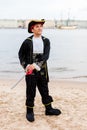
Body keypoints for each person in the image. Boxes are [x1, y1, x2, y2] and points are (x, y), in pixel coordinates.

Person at [18, 19, 61, 122]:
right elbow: (21, 55)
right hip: (30, 71)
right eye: (37, 26)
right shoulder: (27, 41)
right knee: (30, 91)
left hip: (42, 70)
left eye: (41, 26)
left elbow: (46, 56)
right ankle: (29, 111)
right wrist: (27, 66)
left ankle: (49, 109)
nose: (40, 28)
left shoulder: (46, 40)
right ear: (32, 29)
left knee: (44, 90)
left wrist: (36, 65)